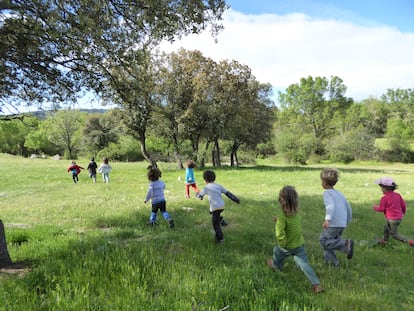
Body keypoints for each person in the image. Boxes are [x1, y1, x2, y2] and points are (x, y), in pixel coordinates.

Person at [267, 186, 323, 294]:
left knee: (276, 251)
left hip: (287, 247)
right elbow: (290, 224)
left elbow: (279, 234)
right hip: (299, 246)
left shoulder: (282, 217)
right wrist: (278, 220)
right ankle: (316, 284)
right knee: (305, 265)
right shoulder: (296, 214)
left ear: (281, 201)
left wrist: (282, 243)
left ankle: (276, 266)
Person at [319, 168, 353, 266]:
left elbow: (331, 207)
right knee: (330, 243)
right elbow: (348, 208)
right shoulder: (339, 193)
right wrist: (346, 222)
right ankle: (332, 263)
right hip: (341, 224)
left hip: (333, 224)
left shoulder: (327, 193)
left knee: (324, 241)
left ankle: (345, 244)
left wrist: (327, 219)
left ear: (325, 183)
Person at [196, 170, 240, 243]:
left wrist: (198, 195)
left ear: (205, 179)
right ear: (214, 178)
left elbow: (200, 196)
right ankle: (222, 220)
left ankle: (220, 239)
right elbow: (228, 193)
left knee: (215, 225)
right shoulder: (219, 186)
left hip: (215, 208)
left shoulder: (206, 187)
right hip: (221, 206)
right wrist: (236, 199)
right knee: (212, 212)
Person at [373, 177, 414, 246]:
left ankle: (410, 242)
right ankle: (384, 242)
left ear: (386, 188)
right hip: (398, 218)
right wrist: (403, 213)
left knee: (394, 234)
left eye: (381, 188)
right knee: (386, 228)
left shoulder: (384, 198)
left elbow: (381, 209)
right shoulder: (398, 195)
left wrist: (375, 207)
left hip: (392, 219)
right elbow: (403, 206)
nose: (381, 190)